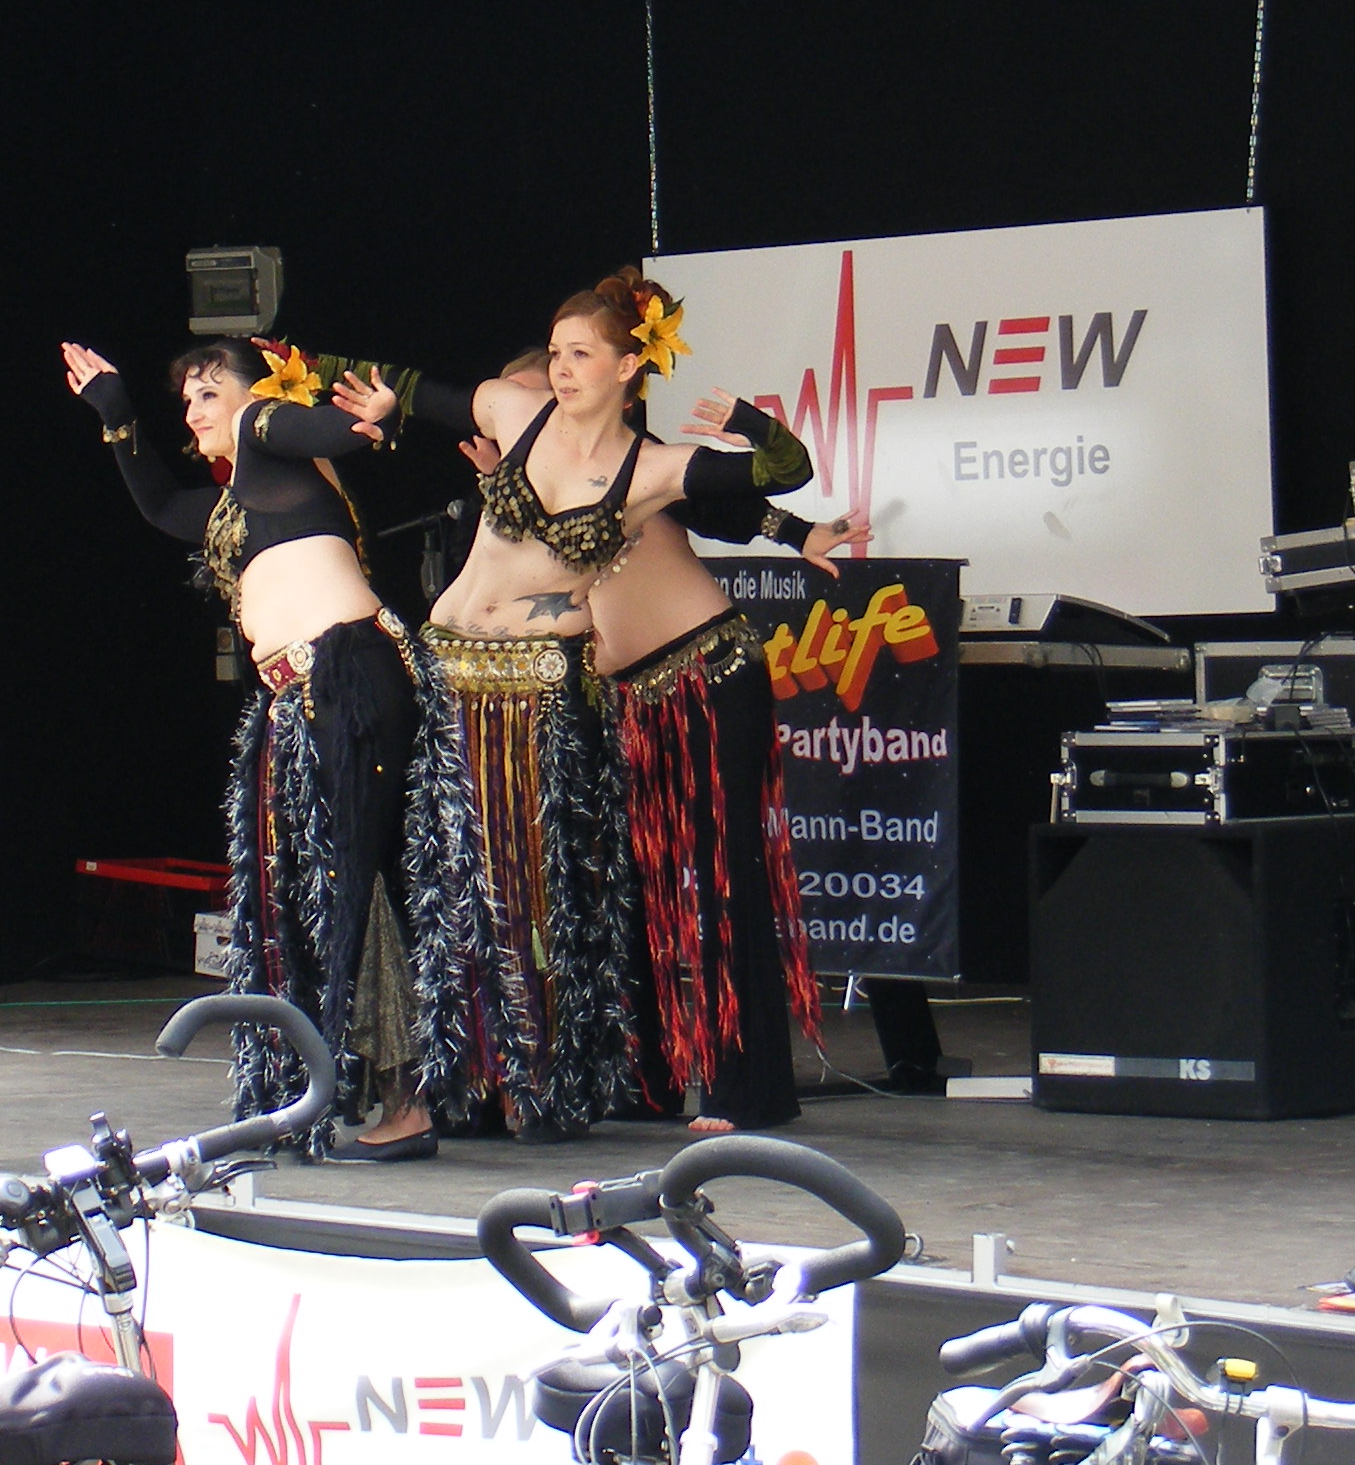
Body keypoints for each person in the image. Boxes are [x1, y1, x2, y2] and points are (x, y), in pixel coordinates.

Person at [333, 268, 815, 1142]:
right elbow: (405, 386)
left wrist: (759, 440)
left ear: (628, 367)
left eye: (579, 355)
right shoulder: (521, 426)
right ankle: (553, 1081)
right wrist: (318, 385)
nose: (558, 372)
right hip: (518, 681)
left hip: (673, 677)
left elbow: (766, 485)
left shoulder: (648, 468)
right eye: (553, 354)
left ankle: (730, 1087)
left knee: (688, 883)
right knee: (545, 887)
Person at [415, 353, 856, 1135]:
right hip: (625, 699)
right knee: (622, 889)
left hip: (706, 676)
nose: (538, 407)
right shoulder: (525, 482)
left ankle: (746, 1089)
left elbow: (726, 506)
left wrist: (799, 532)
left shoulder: (629, 465)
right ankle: (639, 1080)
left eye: (547, 387)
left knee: (722, 881)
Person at [62, 336, 435, 1158]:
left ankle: (403, 1100)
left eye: (209, 393)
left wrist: (368, 421)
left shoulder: (266, 430)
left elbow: (316, 429)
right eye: (186, 401)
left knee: (352, 879)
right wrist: (117, 414)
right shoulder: (241, 502)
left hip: (345, 679)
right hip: (305, 699)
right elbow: (162, 507)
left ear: (253, 393)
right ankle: (359, 1089)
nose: (196, 412)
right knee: (325, 885)